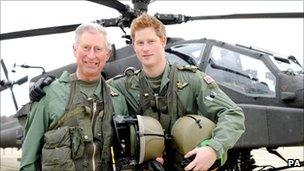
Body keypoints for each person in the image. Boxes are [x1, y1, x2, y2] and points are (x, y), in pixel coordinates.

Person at [107, 13, 245, 171]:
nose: (145, 48)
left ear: (163, 41)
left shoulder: (191, 79)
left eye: (151, 41)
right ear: (134, 46)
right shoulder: (122, 85)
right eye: (140, 43)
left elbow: (233, 114)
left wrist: (213, 149)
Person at [20, 23, 128, 171]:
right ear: (75, 50)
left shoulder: (117, 99)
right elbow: (29, 159)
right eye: (86, 47)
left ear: (107, 54)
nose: (91, 55)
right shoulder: (50, 94)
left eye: (98, 49)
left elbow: (126, 154)